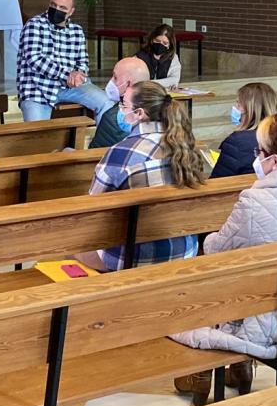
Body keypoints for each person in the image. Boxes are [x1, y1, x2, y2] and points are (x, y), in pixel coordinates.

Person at [170, 114, 277, 404]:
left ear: (273, 162)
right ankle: (239, 367)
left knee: (202, 283)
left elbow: (215, 250)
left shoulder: (254, 201)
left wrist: (209, 239)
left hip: (272, 320)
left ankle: (203, 374)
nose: (255, 157)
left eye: (258, 152)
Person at [76, 81, 209, 272]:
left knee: (67, 249)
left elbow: (93, 208)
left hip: (132, 257)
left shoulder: (122, 152)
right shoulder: (187, 147)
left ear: (139, 113)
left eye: (123, 106)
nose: (120, 110)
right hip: (186, 250)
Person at [16, 0, 111, 122]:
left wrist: (78, 76)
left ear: (71, 11)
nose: (56, 10)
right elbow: (35, 59)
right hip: (37, 89)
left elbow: (83, 61)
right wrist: (67, 75)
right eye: (53, 5)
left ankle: (101, 143)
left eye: (62, 8)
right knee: (36, 135)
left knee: (106, 103)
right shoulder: (34, 25)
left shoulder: (76, 30)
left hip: (70, 87)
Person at [210, 82, 277, 178]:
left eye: (238, 103)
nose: (235, 107)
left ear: (248, 108)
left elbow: (217, 181)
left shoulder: (236, 141)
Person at [89, 57, 151, 150]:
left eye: (115, 77)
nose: (111, 81)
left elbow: (94, 152)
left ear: (129, 84)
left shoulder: (110, 118)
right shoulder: (163, 112)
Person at [136, 23, 181, 89]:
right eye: (157, 41)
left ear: (170, 45)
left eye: (165, 43)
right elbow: (138, 82)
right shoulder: (140, 57)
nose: (160, 45)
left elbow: (175, 79)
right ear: (152, 40)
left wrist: (150, 83)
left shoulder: (173, 57)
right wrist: (166, 83)